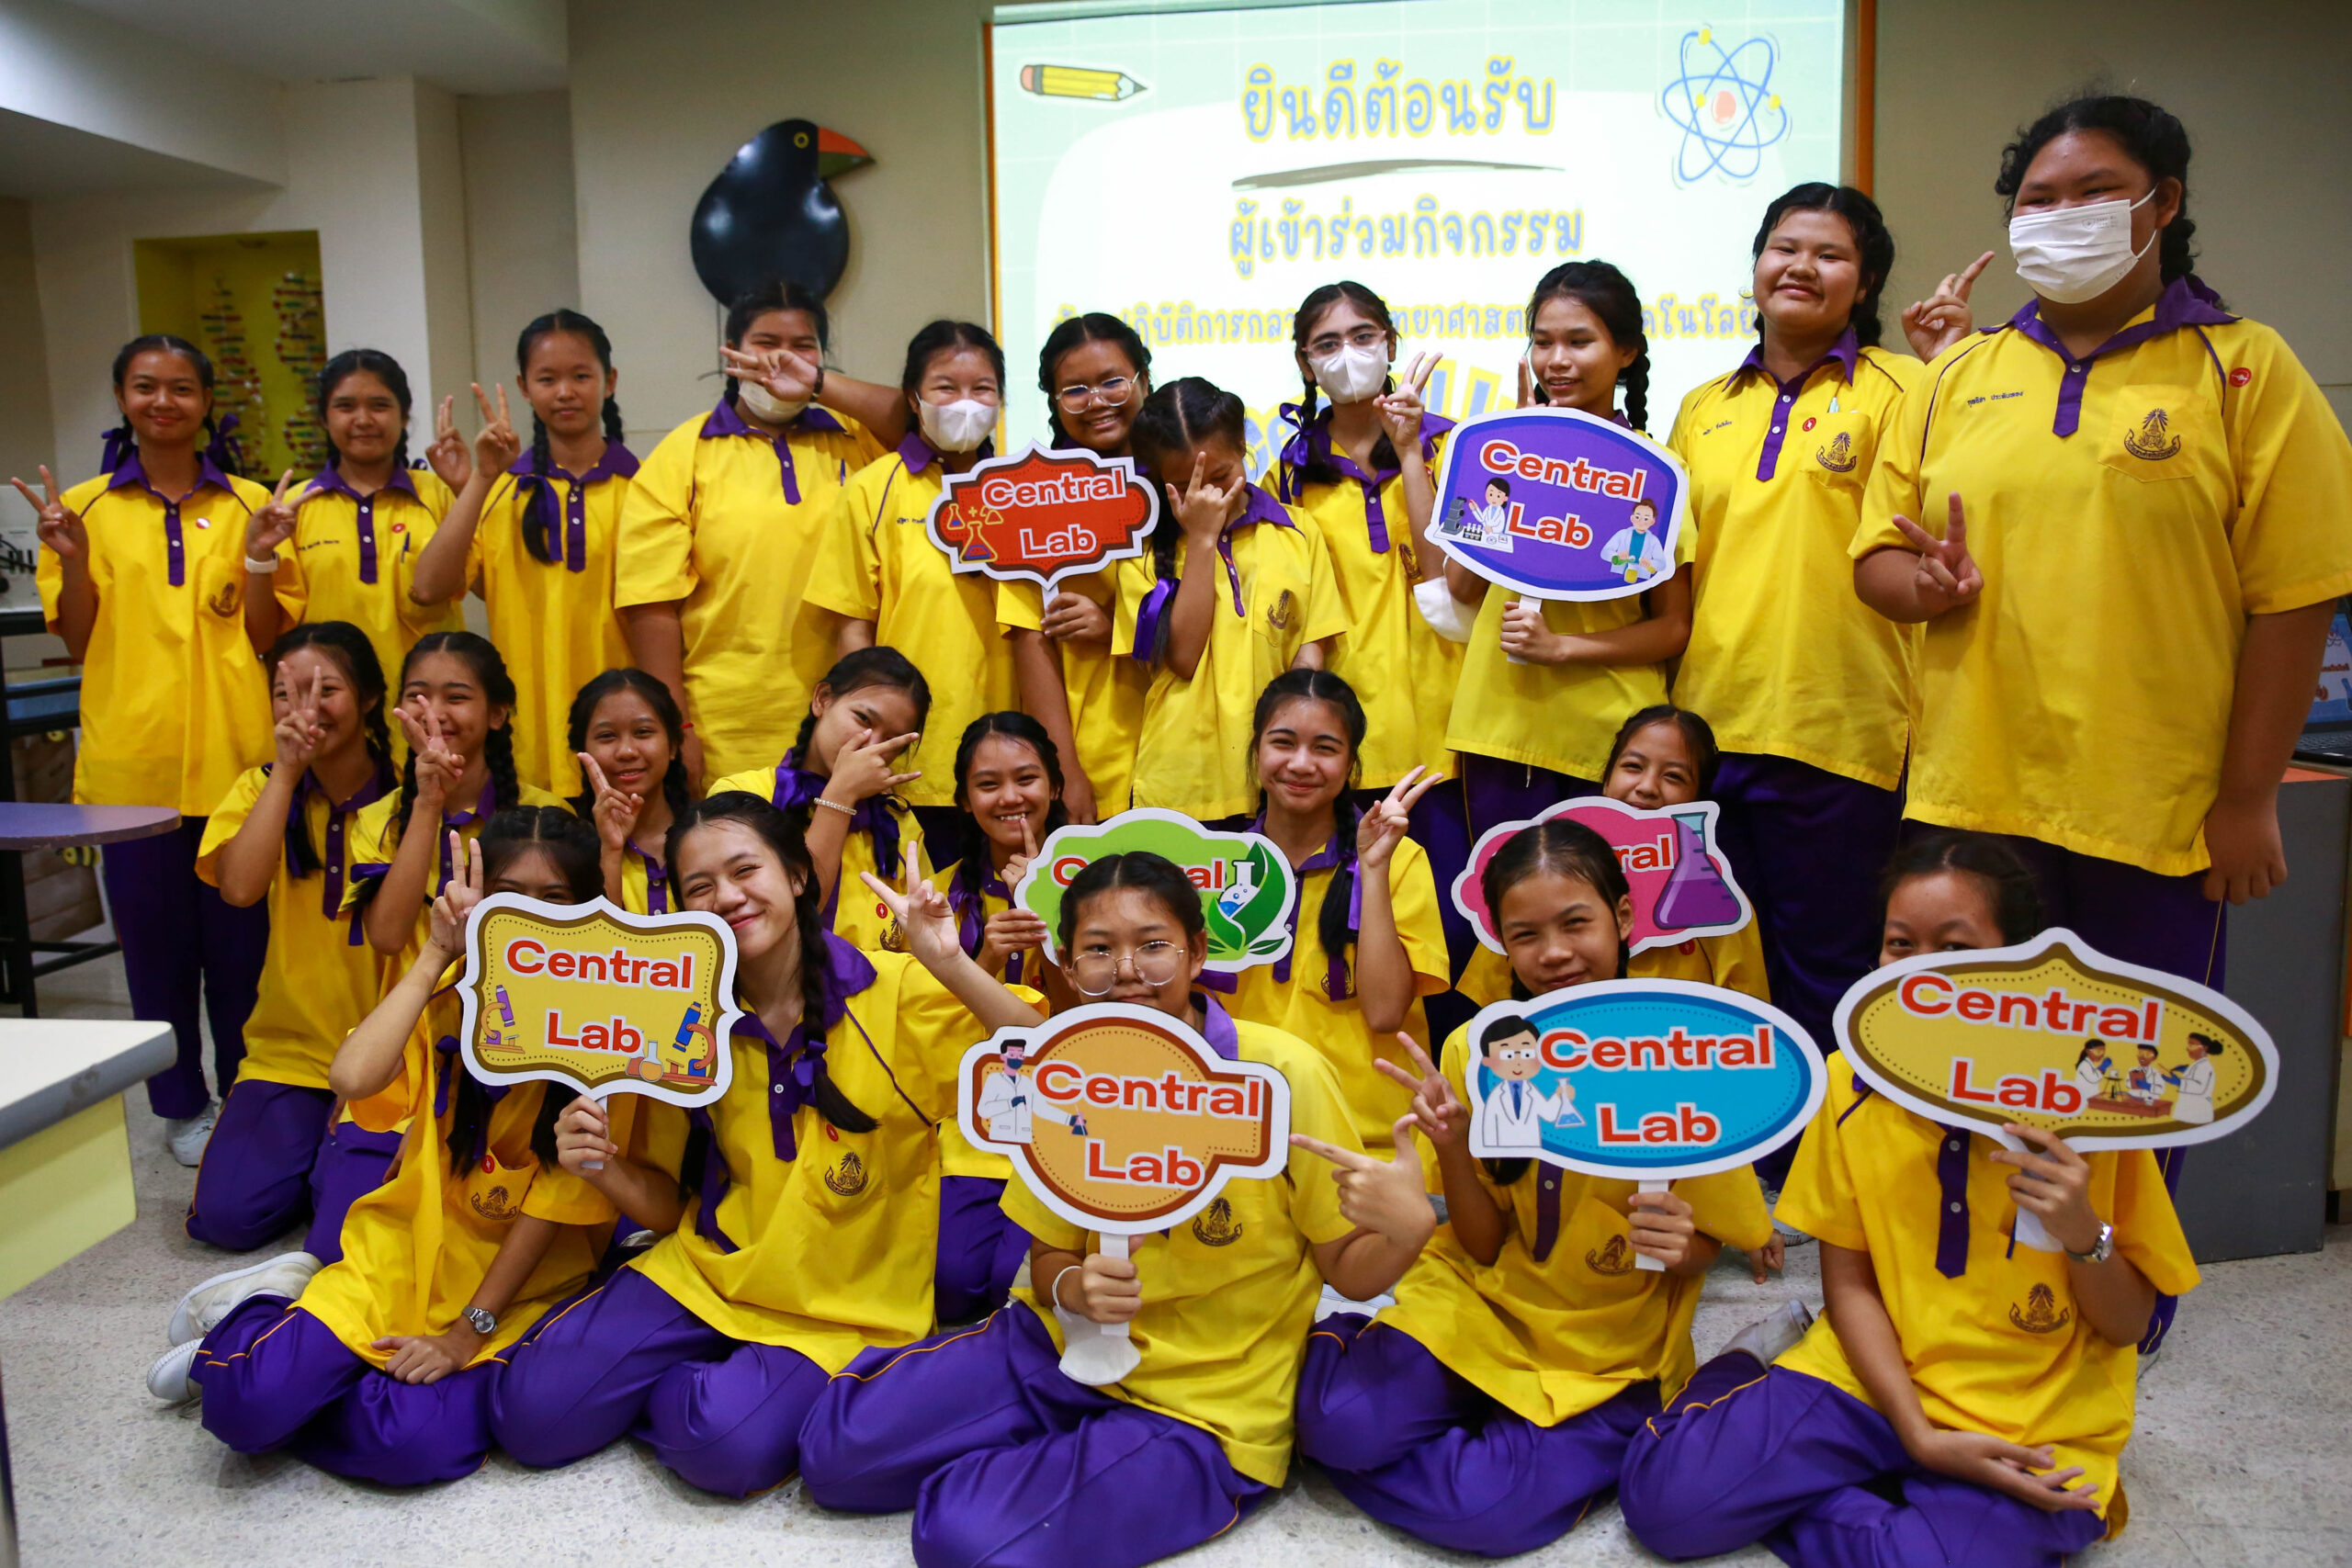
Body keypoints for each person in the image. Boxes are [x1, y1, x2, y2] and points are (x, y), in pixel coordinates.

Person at [798, 850, 1435, 1568]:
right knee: (834, 1454)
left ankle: (1066, 1464)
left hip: (1199, 1402)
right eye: (1099, 950)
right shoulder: (1063, 1069)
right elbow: (1048, 1259)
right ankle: (1036, 1443)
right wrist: (1075, 1287)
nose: (1128, 969)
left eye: (1153, 944)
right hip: (1057, 1344)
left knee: (962, 1540)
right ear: (1069, 967)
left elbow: (1347, 1269)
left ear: (1197, 951)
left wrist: (1408, 1229)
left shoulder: (1279, 1075)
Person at [1853, 96, 2352, 981]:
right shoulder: (1953, 375)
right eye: (2038, 200)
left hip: (2157, 816)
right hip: (1970, 807)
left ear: (2164, 202)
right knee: (1973, 1059)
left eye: (2094, 191)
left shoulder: (2246, 367)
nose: (2063, 215)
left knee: (2136, 1065)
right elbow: (1877, 560)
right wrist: (1922, 586)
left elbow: (2296, 597)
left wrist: (2248, 799)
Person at [1620, 829, 2199, 1566]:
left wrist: (2083, 1231)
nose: (1921, 973)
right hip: (1869, 1378)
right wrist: (1918, 1435)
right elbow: (1850, 1283)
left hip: (2028, 1412)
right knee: (1665, 1506)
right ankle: (1752, 1372)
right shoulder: (1848, 1081)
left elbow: (2129, 1324)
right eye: (1900, 944)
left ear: (2020, 965)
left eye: (1955, 948)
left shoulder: (2093, 1106)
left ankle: (1853, 1496)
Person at [487, 794, 1036, 1497]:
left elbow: (1048, 1066)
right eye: (700, 886)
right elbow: (666, 1206)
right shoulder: (678, 1016)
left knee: (721, 1444)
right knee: (532, 1416)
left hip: (834, 1308)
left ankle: (713, 1387)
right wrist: (601, 1167)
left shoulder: (894, 990)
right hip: (704, 1271)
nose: (727, 896)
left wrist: (951, 963)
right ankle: (709, 1377)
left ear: (799, 875)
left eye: (746, 870)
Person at [149, 808, 672, 1486]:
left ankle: (297, 1370)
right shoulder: (456, 989)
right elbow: (352, 1078)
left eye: (555, 898)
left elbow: (550, 1207)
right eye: (510, 895)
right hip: (402, 1251)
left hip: (518, 1285)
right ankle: (254, 1327)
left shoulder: (612, 1028)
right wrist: (435, 954)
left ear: (585, 911)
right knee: (243, 1410)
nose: (532, 915)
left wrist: (466, 1333)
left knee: (412, 1447)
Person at [1295, 817, 1771, 1555]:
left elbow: (1702, 1245)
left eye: (1575, 923)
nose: (1553, 952)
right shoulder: (1479, 1047)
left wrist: (1682, 1245)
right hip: (1482, 1303)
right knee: (1334, 1425)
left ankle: (1726, 1375)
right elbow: (1484, 1245)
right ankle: (1376, 1377)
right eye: (1525, 934)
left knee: (1485, 1513)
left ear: (1622, 917)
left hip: (1608, 1350)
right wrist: (1453, 1148)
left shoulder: (1681, 1047)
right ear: (1502, 943)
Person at [1670, 183, 1968, 1072]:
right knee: (1715, 979)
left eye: (1829, 254)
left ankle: (1828, 1158)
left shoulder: (1905, 388)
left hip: (1842, 736)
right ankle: (1739, 1153)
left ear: (1865, 282)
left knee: (1827, 978)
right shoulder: (1700, 405)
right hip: (1707, 736)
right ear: (1756, 265)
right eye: (1785, 248)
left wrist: (1952, 364)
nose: (1801, 267)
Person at [16, 334, 276, 1165]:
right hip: (132, 774)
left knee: (243, 954)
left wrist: (263, 553)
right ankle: (181, 1105)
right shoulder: (82, 507)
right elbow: (79, 638)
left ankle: (250, 1092)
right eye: (145, 386)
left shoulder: (252, 503)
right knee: (157, 956)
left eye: (181, 387)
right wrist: (72, 559)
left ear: (207, 402)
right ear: (123, 398)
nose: (164, 402)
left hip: (238, 766)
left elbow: (268, 631)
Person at [1436, 262, 1693, 833]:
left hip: (1609, 738)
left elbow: (1673, 627)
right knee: (1504, 889)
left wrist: (1561, 648)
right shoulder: (1493, 451)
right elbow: (1461, 586)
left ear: (1626, 351)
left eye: (1579, 342)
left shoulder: (1659, 472)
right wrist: (1507, 469)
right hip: (1498, 726)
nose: (1556, 360)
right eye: (1542, 342)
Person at [616, 281, 902, 787]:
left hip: (848, 726)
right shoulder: (684, 453)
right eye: (765, 344)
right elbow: (650, 605)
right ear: (732, 353)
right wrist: (677, 727)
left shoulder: (857, 436)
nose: (781, 361)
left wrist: (818, 386)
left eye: (803, 346)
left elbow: (919, 423)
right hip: (725, 725)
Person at [1274, 283, 1473, 977]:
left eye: (1363, 337)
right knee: (1356, 943)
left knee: (1454, 935)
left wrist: (1410, 449)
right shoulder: (1287, 474)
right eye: (1327, 344)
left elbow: (1451, 578)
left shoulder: (1454, 447)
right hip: (1343, 744)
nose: (1348, 355)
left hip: (1447, 736)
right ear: (1305, 363)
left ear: (1391, 342)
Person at [187, 623, 398, 1258]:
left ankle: (330, 1164)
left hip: (393, 1058)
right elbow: (238, 889)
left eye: (325, 689)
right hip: (289, 1054)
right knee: (226, 1219)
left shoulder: (411, 793)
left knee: (344, 1238)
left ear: (368, 698)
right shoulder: (260, 787)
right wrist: (286, 773)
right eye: (285, 693)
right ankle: (314, 1155)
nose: (304, 708)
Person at [805, 320, 1018, 850]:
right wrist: (863, 747)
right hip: (908, 761)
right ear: (912, 398)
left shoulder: (1025, 489)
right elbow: (854, 629)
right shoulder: (872, 489)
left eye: (982, 389)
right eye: (946, 387)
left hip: (1009, 760)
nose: (964, 403)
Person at [410, 310, 638, 796]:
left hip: (624, 740)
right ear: (524, 387)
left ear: (610, 381)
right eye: (547, 379)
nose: (565, 392)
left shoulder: (647, 487)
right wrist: (480, 478)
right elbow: (428, 587)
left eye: (581, 376)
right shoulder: (500, 489)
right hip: (524, 745)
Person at [1227, 671, 1449, 1147]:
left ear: (1350, 764)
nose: (1300, 764)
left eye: (1325, 748)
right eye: (1283, 743)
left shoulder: (1401, 861)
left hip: (1371, 1140)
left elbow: (1386, 1014)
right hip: (1242, 1129)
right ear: (1256, 750)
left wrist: (1373, 868)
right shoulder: (1218, 866)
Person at [1116, 378, 1347, 823]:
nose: (1208, 495)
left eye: (1220, 476)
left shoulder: (1298, 531)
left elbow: (1310, 650)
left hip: (1278, 781)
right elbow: (1183, 657)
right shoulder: (1139, 552)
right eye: (1185, 485)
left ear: (1243, 444)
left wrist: (1287, 745)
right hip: (1184, 781)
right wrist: (1202, 538)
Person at [1460, 705, 1771, 1004]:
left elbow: (1749, 1019)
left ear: (1697, 799)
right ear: (1606, 780)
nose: (1647, 787)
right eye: (1633, 767)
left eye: (1674, 776)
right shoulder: (1534, 871)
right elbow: (1491, 1012)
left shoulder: (1718, 903)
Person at [927, 711, 1068, 1321]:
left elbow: (1101, 1023)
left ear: (1055, 786)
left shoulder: (1105, 885)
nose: (1010, 797)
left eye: (1026, 778)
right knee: (955, 1286)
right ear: (964, 800)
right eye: (988, 784)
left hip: (1074, 1113)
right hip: (973, 1120)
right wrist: (983, 958)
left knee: (1022, 1287)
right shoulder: (937, 896)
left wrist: (1052, 922)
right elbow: (928, 1027)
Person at [240, 348, 468, 704]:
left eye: (379, 406)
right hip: (326, 709)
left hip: (428, 705)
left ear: (404, 416)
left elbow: (476, 583)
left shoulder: (440, 493)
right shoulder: (292, 508)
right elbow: (265, 637)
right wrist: (258, 554)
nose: (363, 420)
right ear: (324, 418)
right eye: (345, 407)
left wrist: (467, 487)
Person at [1001, 312, 1156, 821]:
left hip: (1191, 750)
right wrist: (1063, 769)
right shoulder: (1031, 499)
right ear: (1053, 401)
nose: (1097, 401)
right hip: (1094, 759)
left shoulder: (1184, 480)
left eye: (1113, 382)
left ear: (1144, 380)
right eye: (1075, 390)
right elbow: (1029, 637)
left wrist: (1118, 627)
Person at [352, 632, 566, 963]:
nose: (433, 713)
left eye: (456, 697)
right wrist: (428, 804)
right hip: (411, 997)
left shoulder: (546, 813)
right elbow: (387, 937)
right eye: (417, 696)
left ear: (497, 714)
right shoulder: (377, 818)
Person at [705, 646, 933, 954]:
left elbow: (921, 950)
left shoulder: (897, 823)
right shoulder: (741, 794)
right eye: (863, 719)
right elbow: (792, 923)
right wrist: (841, 794)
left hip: (878, 985)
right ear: (822, 699)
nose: (872, 745)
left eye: (892, 740)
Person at [567, 668, 691, 913]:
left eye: (643, 732)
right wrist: (609, 850)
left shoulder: (707, 835)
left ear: (673, 745)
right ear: (582, 751)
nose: (627, 751)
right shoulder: (565, 847)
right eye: (607, 736)